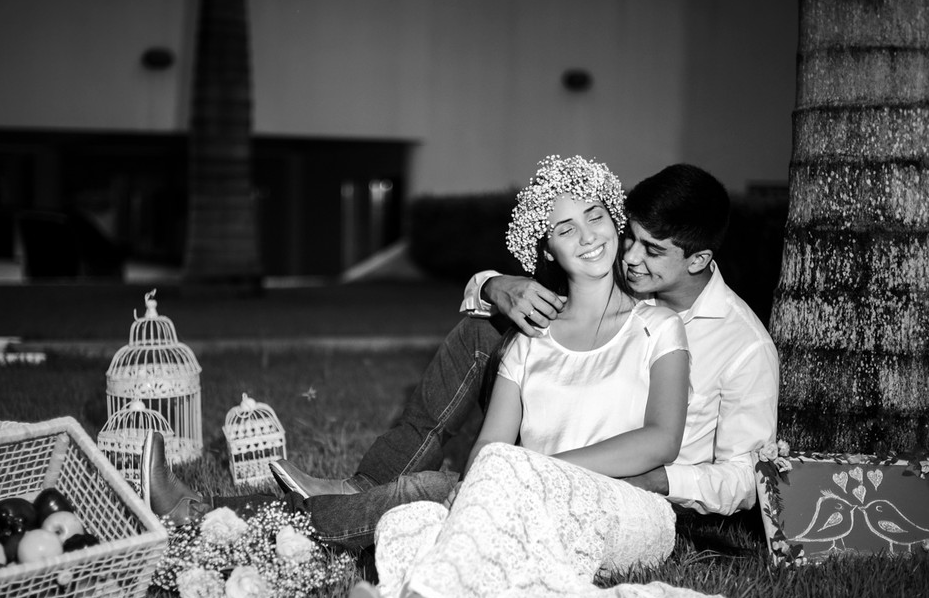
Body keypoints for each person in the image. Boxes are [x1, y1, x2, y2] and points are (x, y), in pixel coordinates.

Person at [338, 155, 738, 598]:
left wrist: (540, 472)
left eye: (595, 216)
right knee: (411, 518)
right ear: (547, 248)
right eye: (565, 229)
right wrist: (499, 483)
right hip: (528, 496)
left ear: (615, 222)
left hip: (632, 510)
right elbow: (489, 448)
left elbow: (661, 441)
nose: (588, 236)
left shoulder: (658, 326)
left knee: (493, 480)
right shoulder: (531, 339)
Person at [265, 162, 779, 549]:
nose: (630, 257)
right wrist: (494, 286)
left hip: (645, 495)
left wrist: (659, 478)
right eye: (631, 237)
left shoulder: (739, 345)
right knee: (482, 333)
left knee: (431, 493)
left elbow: (744, 478)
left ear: (699, 259)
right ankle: (361, 489)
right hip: (541, 455)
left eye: (652, 249)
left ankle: (284, 527)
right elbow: (567, 262)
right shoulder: (619, 276)